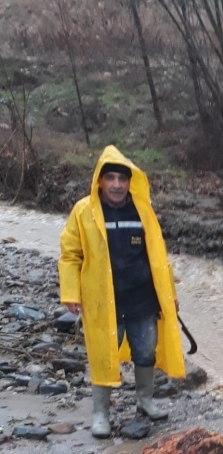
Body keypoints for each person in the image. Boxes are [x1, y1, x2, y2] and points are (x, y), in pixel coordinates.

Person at [58, 145, 186, 438]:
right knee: (103, 355)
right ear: (100, 181)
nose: (117, 185)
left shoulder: (143, 210)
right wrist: (71, 293)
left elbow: (158, 255)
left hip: (142, 299)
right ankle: (101, 413)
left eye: (122, 179)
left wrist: (169, 295)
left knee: (145, 350)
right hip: (103, 301)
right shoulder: (83, 211)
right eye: (111, 178)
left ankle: (145, 401)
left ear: (131, 182)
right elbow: (70, 255)